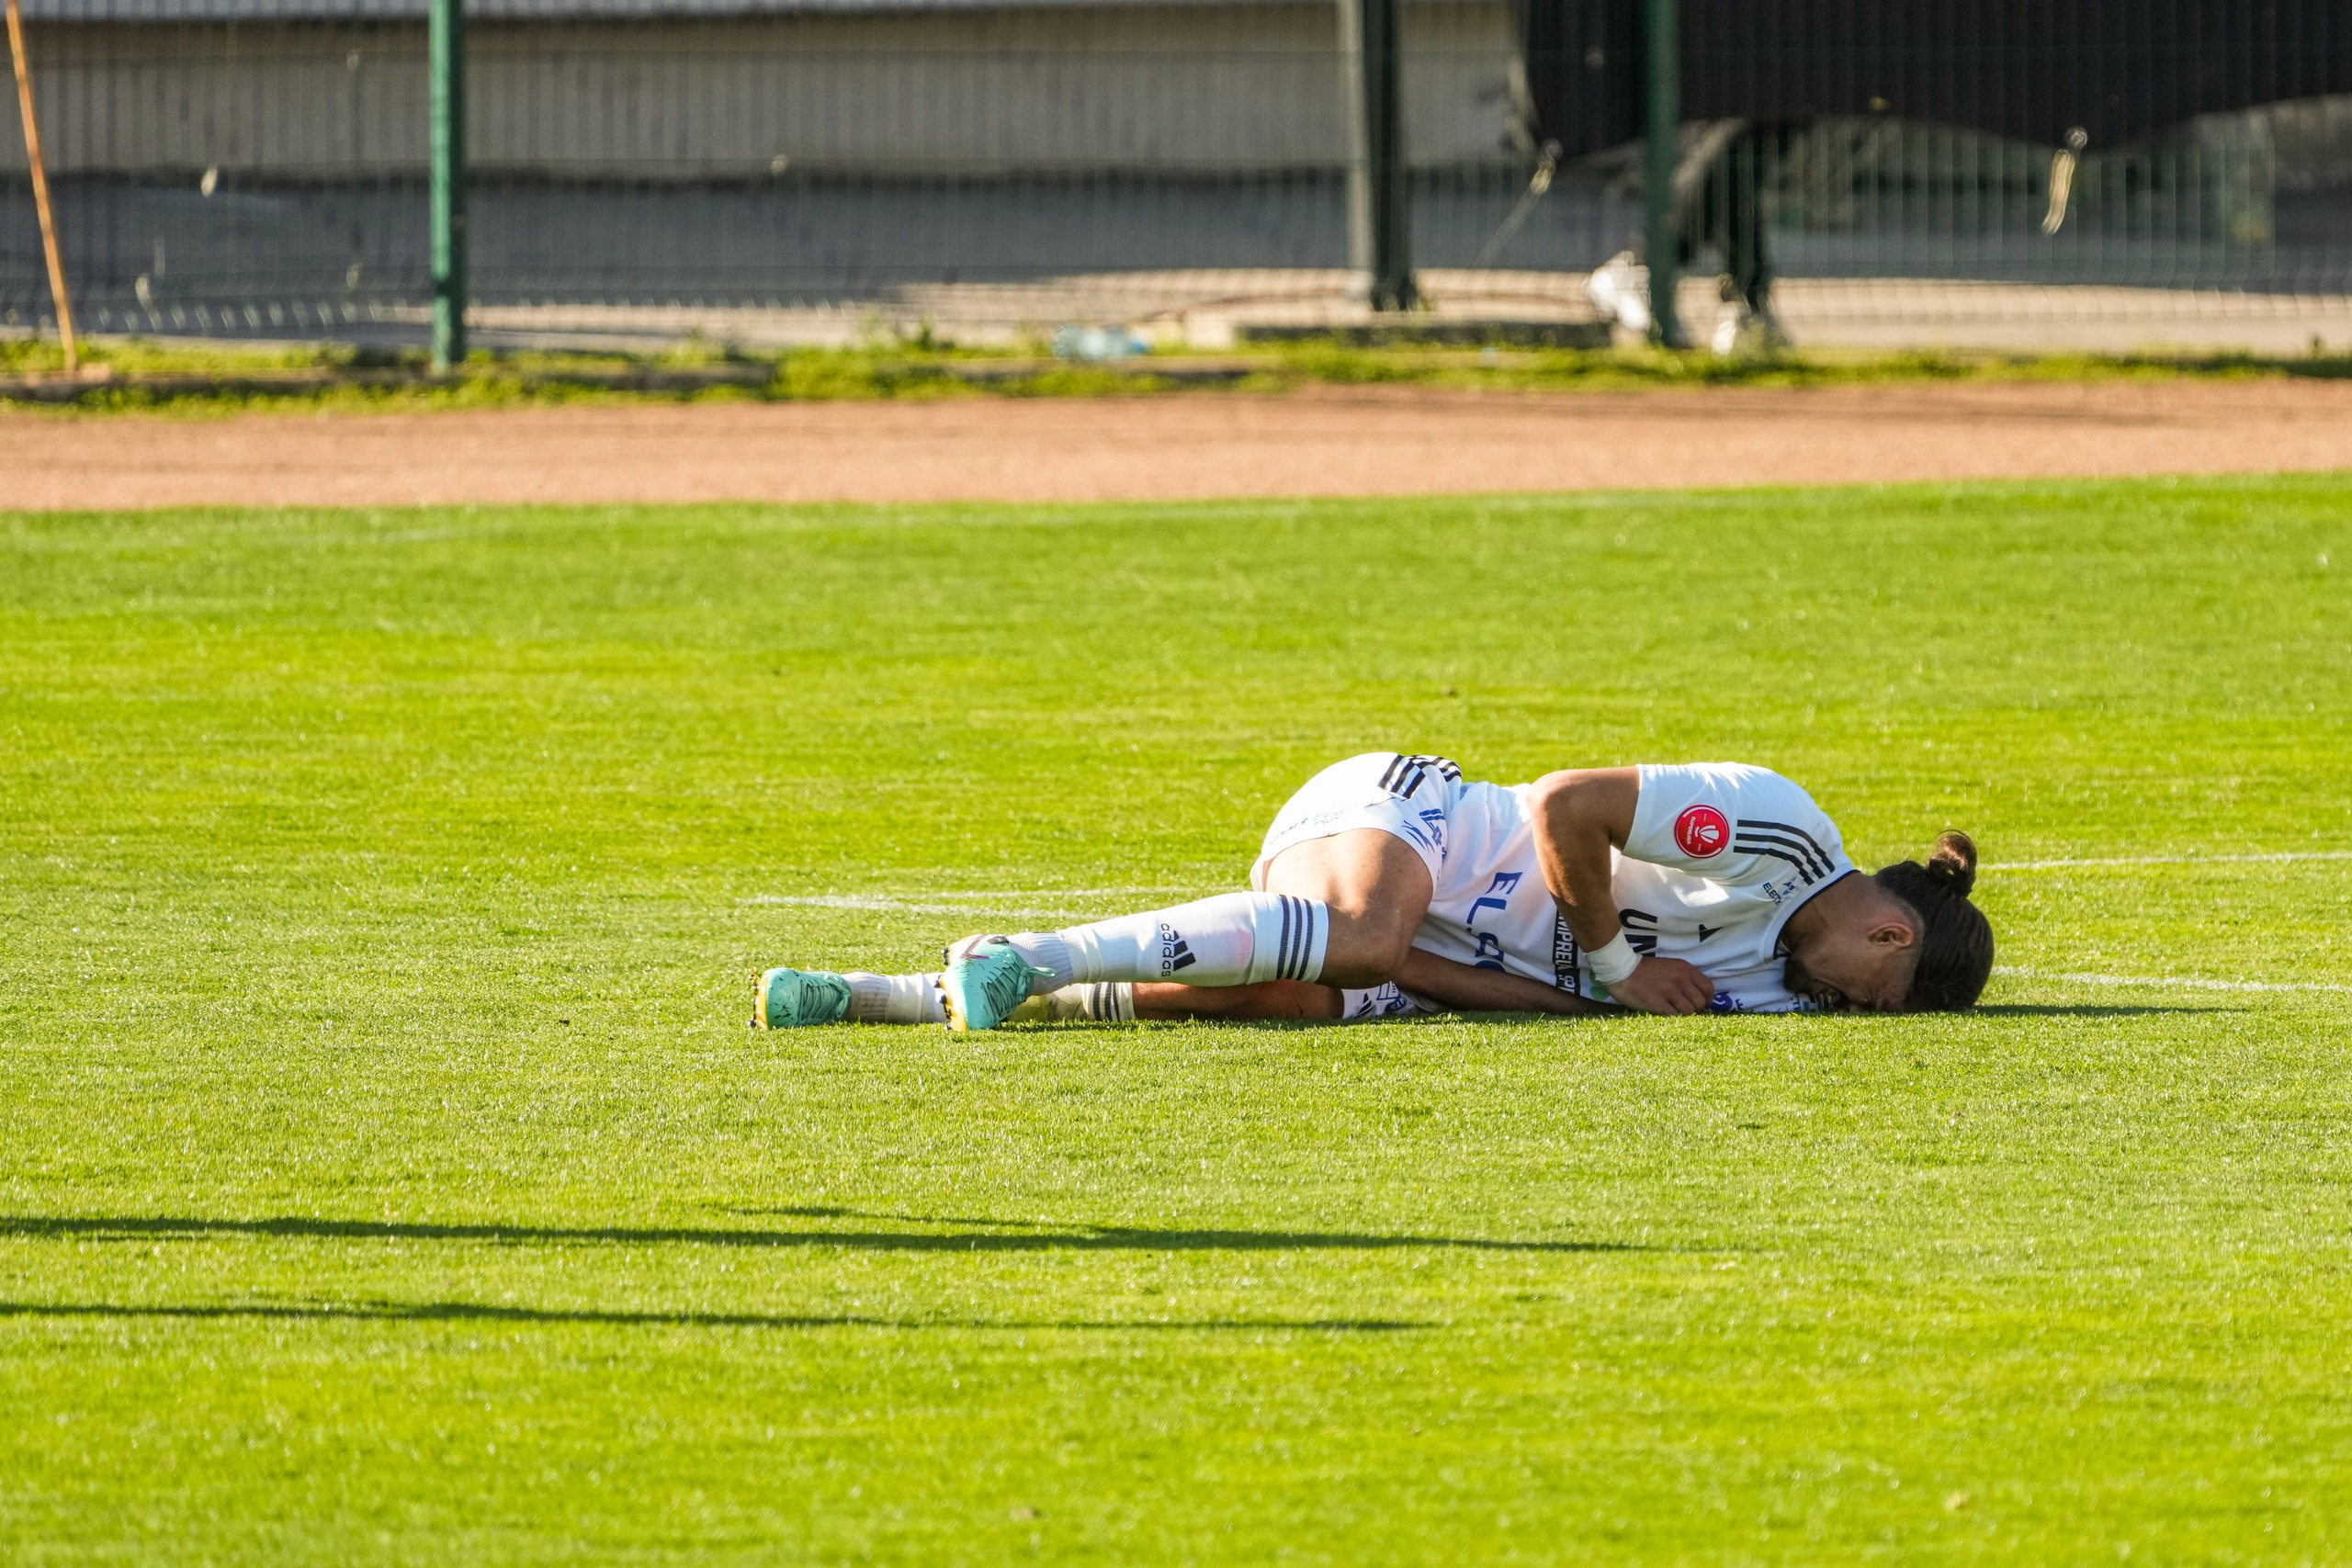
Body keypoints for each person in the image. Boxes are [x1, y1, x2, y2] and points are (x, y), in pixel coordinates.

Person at [752, 754, 1995, 1031]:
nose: (1849, 1012)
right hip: (1417, 821)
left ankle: (879, 995)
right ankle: (1034, 952)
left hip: (1416, 950)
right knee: (1357, 933)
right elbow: (1568, 805)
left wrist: (1582, 1000)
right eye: (1876, 997)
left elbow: (1542, 1001)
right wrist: (1619, 968)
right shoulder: (1780, 832)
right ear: (1892, 932)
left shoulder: (1778, 996)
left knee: (1305, 993)